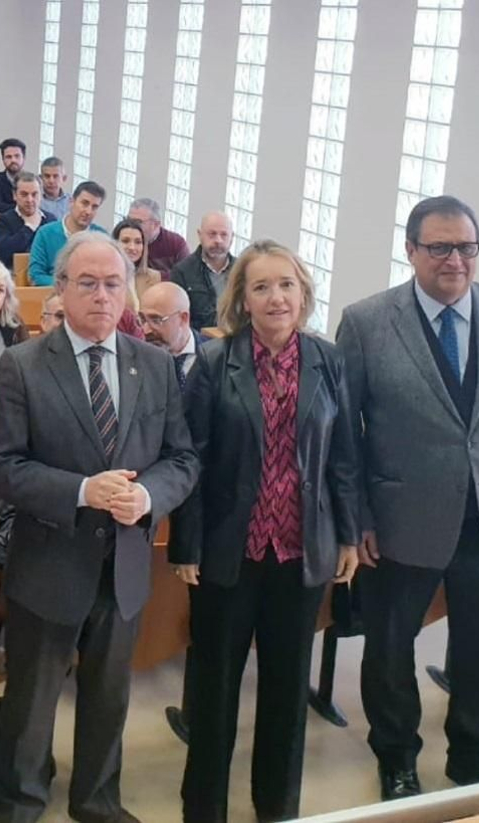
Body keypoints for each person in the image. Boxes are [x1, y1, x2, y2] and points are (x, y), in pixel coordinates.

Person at [334, 195, 479, 800]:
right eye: (439, 247)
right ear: (411, 251)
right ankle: (397, 755)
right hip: (399, 521)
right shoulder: (368, 320)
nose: (455, 259)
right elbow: (343, 434)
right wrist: (358, 517)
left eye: (466, 247)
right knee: (389, 649)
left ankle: (475, 756)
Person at [0, 229, 198, 822]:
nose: (102, 296)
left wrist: (149, 496)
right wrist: (82, 491)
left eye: (113, 284)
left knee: (109, 697)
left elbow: (182, 458)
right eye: (88, 283)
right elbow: (3, 467)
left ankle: (98, 801)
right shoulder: (25, 365)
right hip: (49, 563)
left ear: (129, 290)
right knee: (31, 703)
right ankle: (18, 806)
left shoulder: (154, 366)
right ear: (62, 288)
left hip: (124, 566)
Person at [171, 241, 362, 822]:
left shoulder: (327, 360)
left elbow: (344, 458)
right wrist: (186, 543)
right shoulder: (214, 362)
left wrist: (349, 535)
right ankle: (204, 807)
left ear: (303, 292)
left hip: (301, 549)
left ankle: (276, 805)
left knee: (285, 689)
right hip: (231, 550)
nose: (276, 297)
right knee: (215, 688)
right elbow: (190, 457)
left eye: (286, 285)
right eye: (261, 287)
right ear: (242, 299)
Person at [28, 180, 106, 285]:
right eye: (84, 203)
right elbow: (35, 276)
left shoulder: (102, 238)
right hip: (53, 294)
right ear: (71, 202)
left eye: (94, 207)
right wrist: (70, 287)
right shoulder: (45, 233)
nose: (88, 211)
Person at [169, 213, 236, 331]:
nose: (218, 240)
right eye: (212, 234)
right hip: (198, 341)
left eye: (224, 235)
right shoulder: (182, 271)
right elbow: (177, 318)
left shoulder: (243, 271)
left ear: (232, 238)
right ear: (200, 235)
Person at [139, 282, 198, 383]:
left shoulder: (215, 357)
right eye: (143, 319)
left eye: (156, 320)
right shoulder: (135, 360)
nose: (146, 330)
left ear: (183, 318)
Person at [0, 171, 55, 265]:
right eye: (24, 194)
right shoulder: (4, 220)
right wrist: (28, 228)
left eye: (34, 194)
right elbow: (3, 254)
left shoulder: (50, 220)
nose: (30, 200)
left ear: (41, 195)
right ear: (14, 195)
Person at [127, 198, 188, 275]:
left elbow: (187, 276)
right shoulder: (122, 240)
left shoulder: (175, 243)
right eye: (128, 220)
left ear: (156, 225)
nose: (131, 226)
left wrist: (159, 276)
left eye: (138, 222)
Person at [112, 219, 162, 303]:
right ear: (114, 244)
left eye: (138, 242)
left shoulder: (154, 277)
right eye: (125, 241)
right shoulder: (107, 277)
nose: (132, 247)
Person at [0, 138, 27, 215]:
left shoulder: (32, 181)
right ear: (3, 159)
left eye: (17, 156)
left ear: (23, 158)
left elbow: (37, 206)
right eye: (8, 157)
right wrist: (23, 208)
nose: (13, 160)